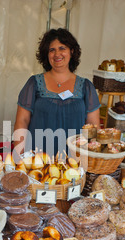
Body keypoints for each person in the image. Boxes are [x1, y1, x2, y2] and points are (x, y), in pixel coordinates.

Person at [14, 28, 100, 159]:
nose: (57, 54)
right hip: (37, 160)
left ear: (71, 51)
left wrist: (91, 160)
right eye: (51, 50)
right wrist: (19, 157)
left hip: (75, 161)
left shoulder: (86, 87)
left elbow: (93, 129)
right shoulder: (34, 83)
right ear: (46, 54)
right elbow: (22, 121)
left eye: (62, 48)